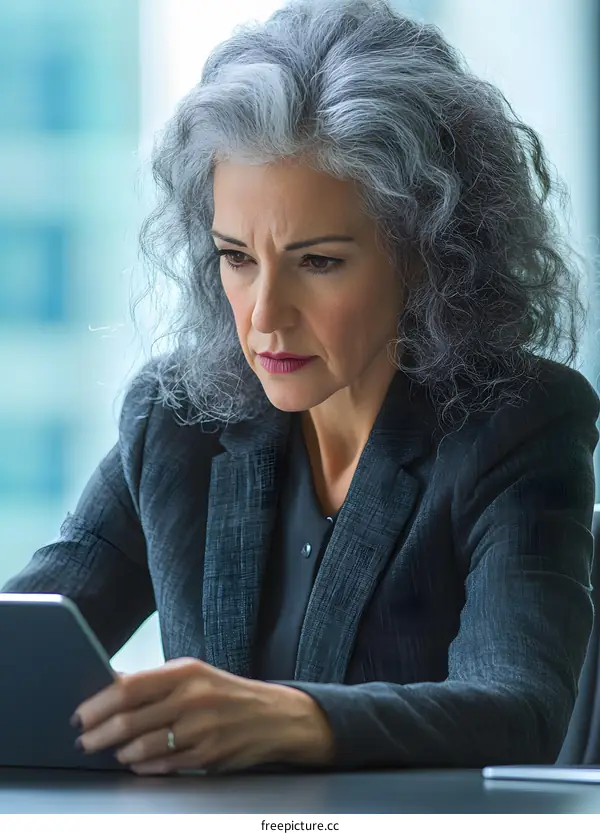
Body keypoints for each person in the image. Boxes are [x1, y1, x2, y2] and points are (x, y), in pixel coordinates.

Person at [4, 0, 599, 775]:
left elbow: (519, 709)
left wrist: (294, 718)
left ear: (428, 255)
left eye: (318, 262)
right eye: (236, 258)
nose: (263, 316)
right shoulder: (175, 418)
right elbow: (26, 645)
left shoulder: (519, 427)